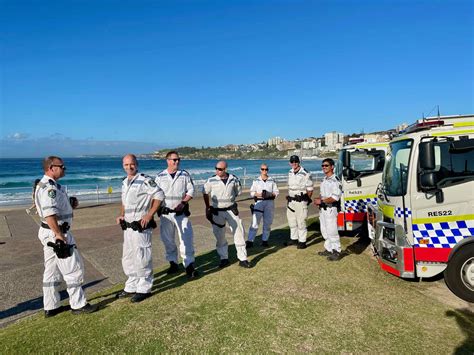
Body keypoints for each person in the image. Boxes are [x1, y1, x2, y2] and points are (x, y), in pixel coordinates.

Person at [35, 156, 97, 317]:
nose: (64, 168)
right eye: (61, 166)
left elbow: (55, 207)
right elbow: (49, 213)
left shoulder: (51, 186)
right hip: (56, 233)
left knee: (51, 271)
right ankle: (78, 304)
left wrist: (70, 204)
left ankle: (51, 306)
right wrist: (59, 234)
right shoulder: (50, 188)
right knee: (73, 269)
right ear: (51, 167)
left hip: (48, 233)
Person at [116, 154, 164, 302]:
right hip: (128, 226)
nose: (129, 167)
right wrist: (121, 215)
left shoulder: (145, 180)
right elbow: (124, 202)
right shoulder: (125, 182)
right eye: (125, 165)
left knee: (142, 256)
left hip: (141, 226)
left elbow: (159, 195)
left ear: (136, 164)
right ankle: (131, 286)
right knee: (128, 257)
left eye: (131, 164)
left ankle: (144, 288)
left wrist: (149, 214)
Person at [155, 151, 199, 279]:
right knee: (168, 240)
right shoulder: (160, 176)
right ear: (167, 161)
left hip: (181, 213)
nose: (177, 162)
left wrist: (184, 202)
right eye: (174, 160)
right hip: (166, 214)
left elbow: (191, 190)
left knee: (186, 239)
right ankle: (173, 263)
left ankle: (189, 265)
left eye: (178, 159)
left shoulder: (184, 175)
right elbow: (155, 195)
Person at [202, 160, 251, 268]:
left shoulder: (233, 179)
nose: (217, 171)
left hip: (231, 210)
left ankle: (243, 259)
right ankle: (224, 258)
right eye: (216, 168)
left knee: (239, 232)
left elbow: (238, 191)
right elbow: (205, 192)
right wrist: (207, 207)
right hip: (217, 211)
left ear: (225, 169)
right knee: (220, 236)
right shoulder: (211, 179)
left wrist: (229, 199)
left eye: (220, 169)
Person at [314, 158, 343, 261]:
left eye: (326, 165)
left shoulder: (335, 181)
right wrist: (319, 200)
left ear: (332, 167)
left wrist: (321, 202)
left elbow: (335, 197)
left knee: (332, 231)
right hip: (323, 210)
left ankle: (337, 251)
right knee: (324, 230)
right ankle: (329, 248)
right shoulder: (325, 180)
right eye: (322, 166)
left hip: (331, 209)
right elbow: (323, 194)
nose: (324, 167)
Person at [246, 163, 279, 248]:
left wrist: (269, 194)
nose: (264, 171)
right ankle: (250, 241)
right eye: (263, 169)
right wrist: (259, 194)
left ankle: (265, 240)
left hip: (269, 203)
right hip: (259, 203)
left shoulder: (272, 180)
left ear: (268, 170)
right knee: (254, 223)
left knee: (267, 223)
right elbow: (252, 193)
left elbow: (276, 192)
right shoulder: (256, 180)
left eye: (266, 169)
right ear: (260, 170)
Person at [286, 155, 313, 249]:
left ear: (299, 162)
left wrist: (306, 200)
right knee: (291, 221)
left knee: (301, 222)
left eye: (296, 162)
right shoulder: (290, 172)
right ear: (290, 163)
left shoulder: (305, 173)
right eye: (292, 162)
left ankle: (302, 241)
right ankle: (293, 239)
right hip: (291, 201)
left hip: (300, 201)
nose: (294, 164)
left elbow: (310, 189)